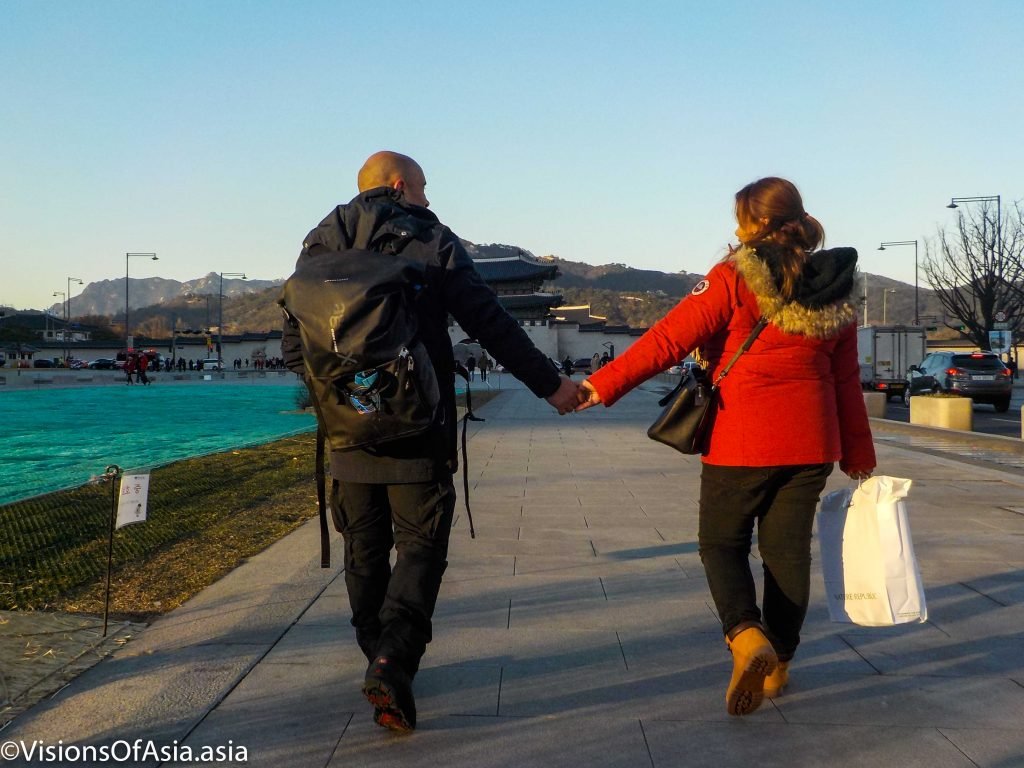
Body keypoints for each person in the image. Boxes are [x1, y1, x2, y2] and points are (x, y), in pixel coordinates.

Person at [282, 150, 579, 733]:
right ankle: (394, 661)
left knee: (363, 549)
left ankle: (378, 654)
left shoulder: (317, 244)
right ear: (400, 185)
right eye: (423, 187)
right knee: (421, 547)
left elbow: (296, 343)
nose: (427, 197)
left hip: (346, 431)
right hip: (420, 428)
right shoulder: (431, 237)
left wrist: (343, 397)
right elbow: (489, 321)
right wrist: (551, 385)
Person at [576, 177, 875, 717]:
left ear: (754, 224)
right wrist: (859, 455)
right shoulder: (835, 285)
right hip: (812, 443)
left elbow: (669, 339)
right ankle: (779, 662)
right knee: (787, 555)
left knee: (722, 544)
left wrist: (600, 386)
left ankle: (745, 636)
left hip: (742, 438)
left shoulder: (733, 277)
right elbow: (846, 379)